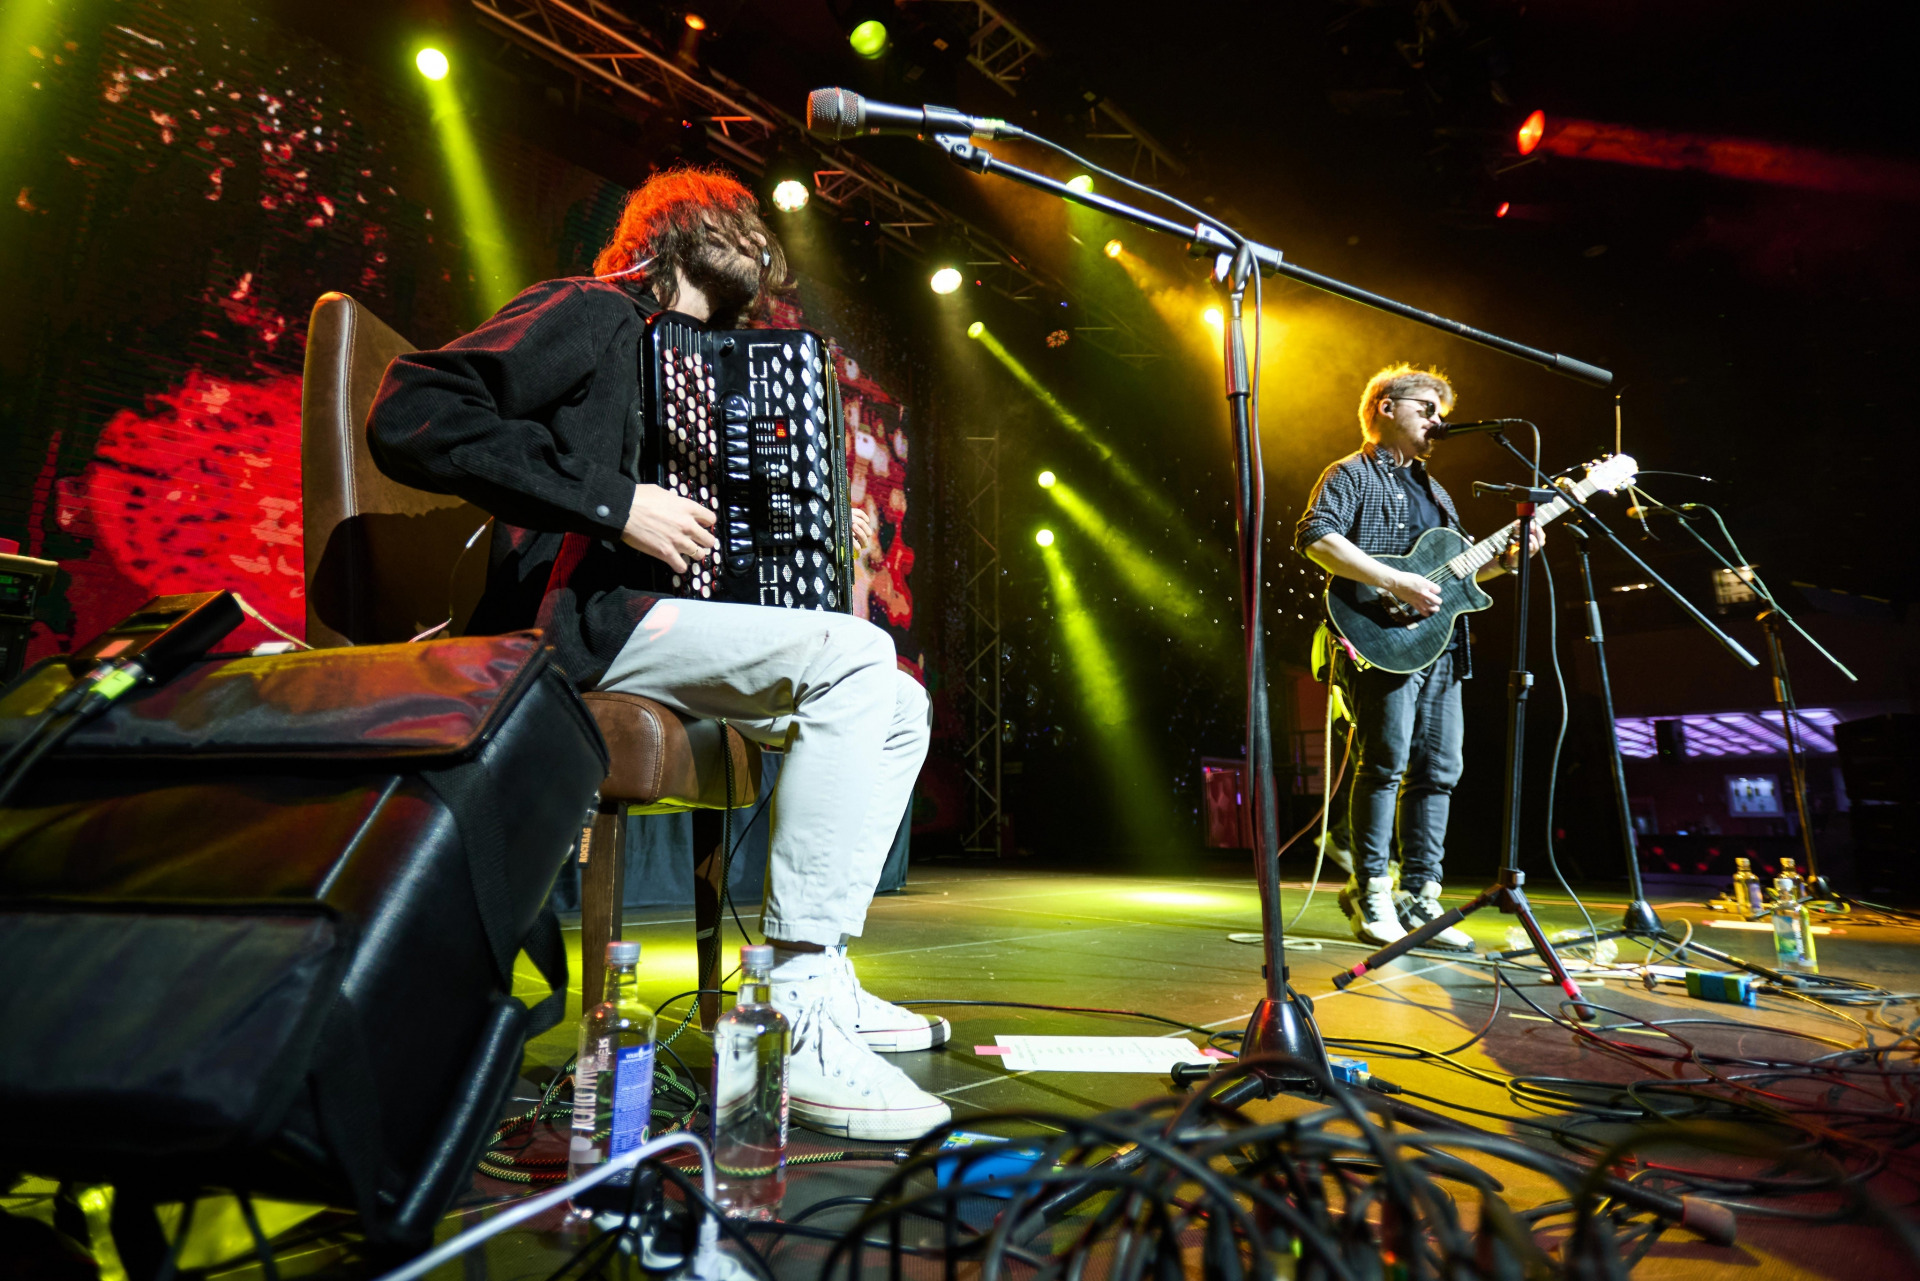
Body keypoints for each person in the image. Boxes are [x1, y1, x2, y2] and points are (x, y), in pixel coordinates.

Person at [367, 166, 950, 1142]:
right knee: (856, 660)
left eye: (764, 234)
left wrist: (820, 539)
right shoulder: (594, 311)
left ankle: (826, 975)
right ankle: (794, 1005)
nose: (758, 240)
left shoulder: (726, 367)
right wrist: (611, 502)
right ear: (671, 232)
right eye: (736, 220)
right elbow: (413, 408)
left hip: (669, 626)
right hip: (586, 625)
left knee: (897, 701)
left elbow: (723, 547)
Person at [1293, 365, 1541, 950]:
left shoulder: (1438, 493)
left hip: (1443, 649)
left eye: (1440, 412)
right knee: (1383, 764)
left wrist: (1508, 560)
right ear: (1385, 407)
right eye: (1427, 408)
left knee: (1439, 772)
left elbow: (1458, 580)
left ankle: (1420, 895)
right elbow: (1315, 536)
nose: (1439, 422)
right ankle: (1371, 887)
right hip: (1381, 640)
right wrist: (1393, 580)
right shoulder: (1350, 474)